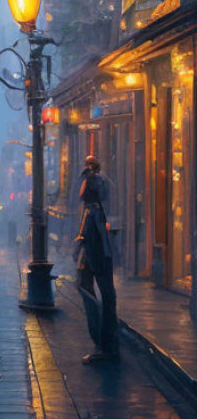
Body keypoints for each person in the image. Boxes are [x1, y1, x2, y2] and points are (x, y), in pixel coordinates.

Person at [75, 154, 119, 363]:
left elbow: (94, 242)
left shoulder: (94, 214)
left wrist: (85, 259)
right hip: (97, 257)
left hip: (97, 259)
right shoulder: (94, 212)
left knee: (99, 296)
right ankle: (105, 343)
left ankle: (103, 344)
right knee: (101, 295)